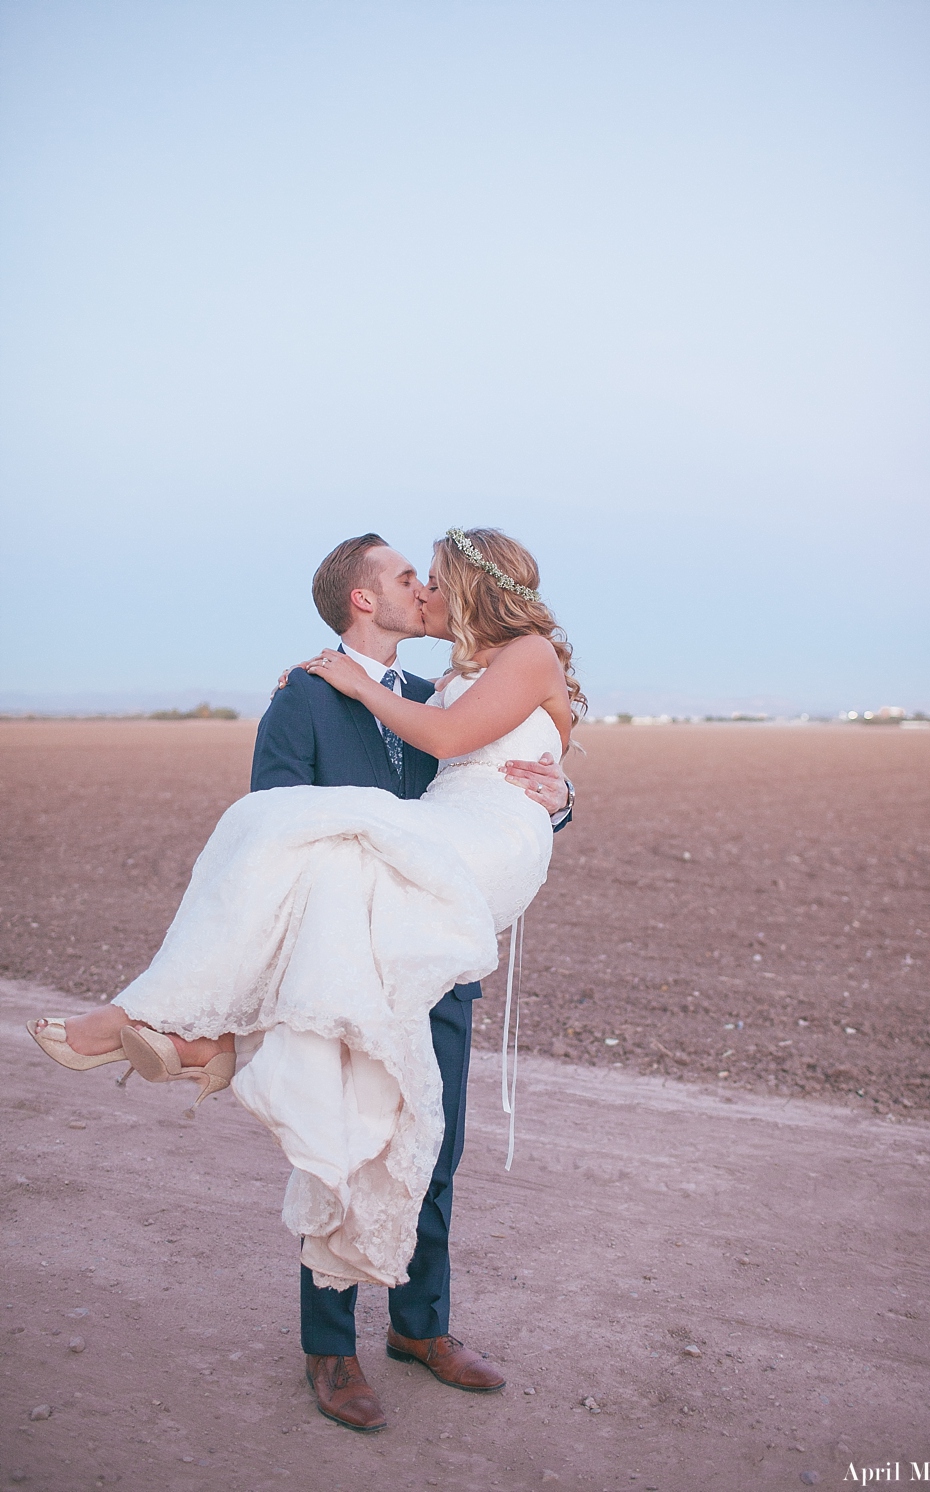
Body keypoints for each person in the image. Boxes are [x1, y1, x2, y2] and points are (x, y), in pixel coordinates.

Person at [28, 527, 583, 1433]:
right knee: (341, 1137)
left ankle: (421, 1328)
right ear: (364, 600)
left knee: (435, 1148)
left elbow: (502, 784)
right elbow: (275, 835)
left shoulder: (442, 688)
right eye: (407, 578)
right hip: (338, 963)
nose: (422, 589)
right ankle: (330, 1351)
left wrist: (560, 804)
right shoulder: (304, 697)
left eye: (429, 579)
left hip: (435, 949)